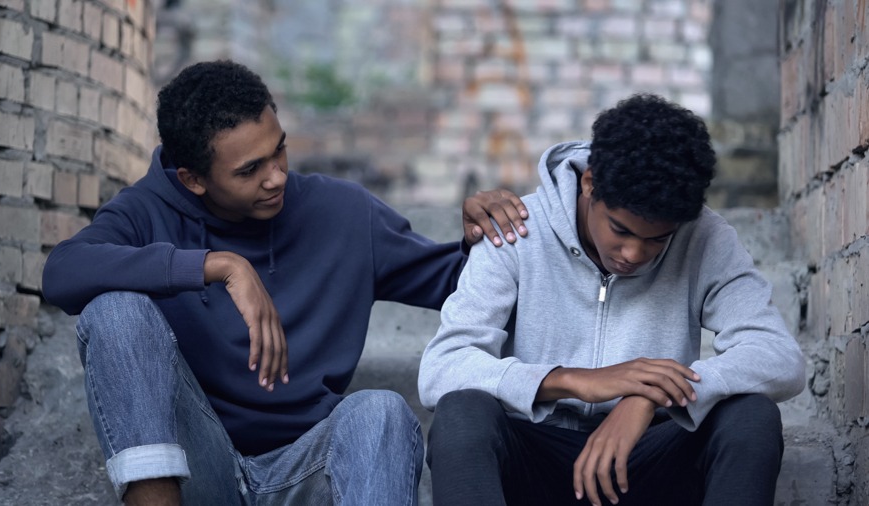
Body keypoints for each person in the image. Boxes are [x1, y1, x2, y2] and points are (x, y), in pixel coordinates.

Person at [41, 60, 529, 506]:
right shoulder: (146, 210)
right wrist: (218, 265)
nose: (275, 177)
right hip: (199, 466)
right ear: (193, 180)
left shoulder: (342, 213)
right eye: (250, 170)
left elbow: (457, 284)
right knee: (116, 311)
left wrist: (482, 241)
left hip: (308, 467)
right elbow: (64, 272)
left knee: (381, 411)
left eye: (279, 152)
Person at [418, 94, 806, 506]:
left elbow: (779, 356)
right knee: (462, 414)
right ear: (589, 183)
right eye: (620, 230)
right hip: (536, 463)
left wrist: (649, 395)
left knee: (751, 417)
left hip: (646, 459)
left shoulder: (706, 238)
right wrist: (573, 381)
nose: (634, 254)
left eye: (658, 238)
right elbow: (443, 367)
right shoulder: (515, 231)